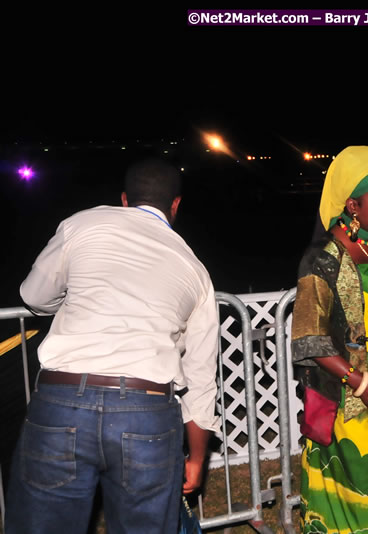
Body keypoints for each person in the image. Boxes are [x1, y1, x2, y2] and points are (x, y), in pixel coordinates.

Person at [5, 159, 220, 534]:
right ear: (175, 205)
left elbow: (34, 295)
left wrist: (73, 299)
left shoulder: (81, 224)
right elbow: (201, 379)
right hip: (147, 410)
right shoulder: (195, 269)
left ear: (124, 199)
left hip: (63, 402)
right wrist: (197, 458)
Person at [291, 146, 368, 533]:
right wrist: (360, 382)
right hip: (350, 398)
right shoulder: (323, 259)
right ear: (353, 206)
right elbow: (309, 338)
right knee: (356, 494)